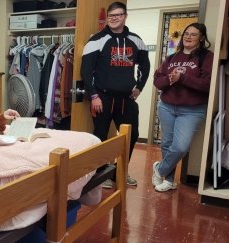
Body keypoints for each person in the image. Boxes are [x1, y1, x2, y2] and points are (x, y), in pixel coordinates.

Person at [80, 1, 150, 187]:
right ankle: (101, 173)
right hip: (102, 98)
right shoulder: (96, 40)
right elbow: (86, 71)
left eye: (118, 15)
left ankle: (120, 172)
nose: (114, 18)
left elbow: (145, 66)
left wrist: (139, 87)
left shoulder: (136, 40)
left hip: (126, 99)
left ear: (125, 16)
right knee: (100, 136)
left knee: (131, 135)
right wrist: (94, 95)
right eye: (111, 15)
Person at [152, 23, 213, 192]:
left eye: (194, 34)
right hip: (166, 107)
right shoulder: (172, 57)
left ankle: (159, 169)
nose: (188, 37)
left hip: (192, 110)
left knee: (180, 147)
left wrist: (182, 77)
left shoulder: (207, 57)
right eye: (187, 33)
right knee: (166, 144)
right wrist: (170, 79)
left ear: (201, 38)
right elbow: (158, 80)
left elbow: (207, 84)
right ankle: (169, 180)